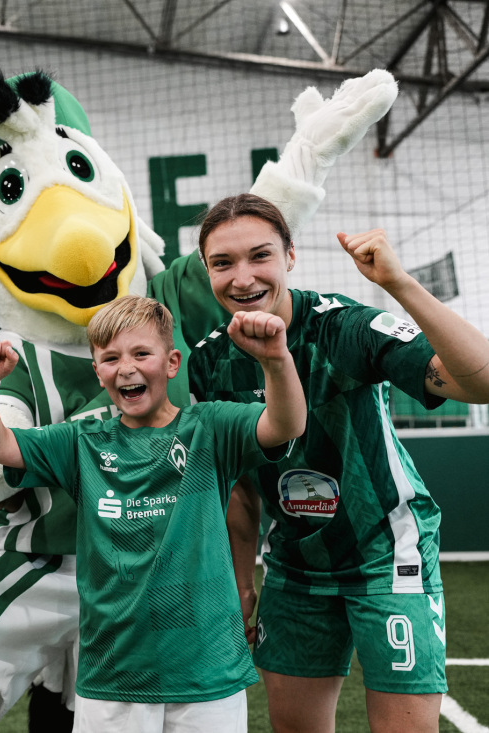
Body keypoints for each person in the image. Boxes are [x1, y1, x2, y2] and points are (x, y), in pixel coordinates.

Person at [189, 193, 489, 733]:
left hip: (386, 556)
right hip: (294, 567)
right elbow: (239, 488)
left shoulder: (344, 328)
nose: (243, 277)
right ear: (205, 270)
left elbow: (483, 382)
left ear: (290, 257)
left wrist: (397, 284)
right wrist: (240, 583)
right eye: (222, 263)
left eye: (260, 256)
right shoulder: (209, 361)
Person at [0, 295, 304, 732]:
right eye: (110, 358)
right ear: (98, 371)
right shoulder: (80, 441)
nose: (126, 367)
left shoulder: (211, 429)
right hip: (115, 674)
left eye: (142, 353)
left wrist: (276, 360)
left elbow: (286, 424)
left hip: (207, 670)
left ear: (172, 362)